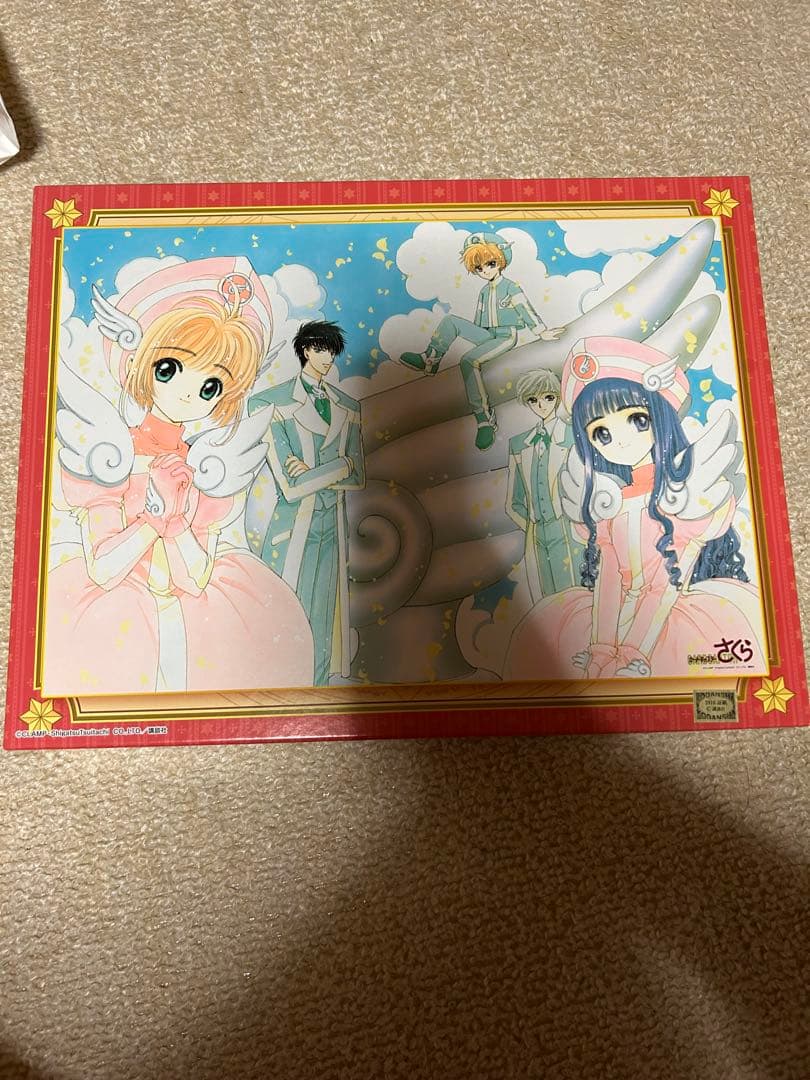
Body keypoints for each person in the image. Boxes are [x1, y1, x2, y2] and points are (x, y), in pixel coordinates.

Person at [43, 257, 315, 695]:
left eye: (211, 387)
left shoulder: (204, 465)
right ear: (141, 362)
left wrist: (175, 524)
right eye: (168, 369)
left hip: (192, 611)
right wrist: (154, 518)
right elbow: (104, 569)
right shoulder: (111, 452)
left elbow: (195, 577)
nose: (189, 393)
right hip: (117, 609)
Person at [504, 336, 765, 681]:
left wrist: (633, 651)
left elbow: (666, 584)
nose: (621, 440)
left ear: (662, 417)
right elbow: (609, 576)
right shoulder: (608, 502)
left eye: (638, 420)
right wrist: (601, 645)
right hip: (612, 615)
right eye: (601, 433)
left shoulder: (681, 498)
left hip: (663, 617)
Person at [248, 320, 365, 685]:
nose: (326, 357)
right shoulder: (271, 402)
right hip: (290, 529)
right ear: (304, 351)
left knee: (324, 618)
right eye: (319, 349)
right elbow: (291, 487)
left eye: (331, 351)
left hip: (332, 529)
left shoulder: (348, 405)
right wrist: (341, 465)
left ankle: (318, 694)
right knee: (286, 616)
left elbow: (359, 476)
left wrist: (320, 470)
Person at [400, 231, 564, 450]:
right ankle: (430, 359)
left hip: (505, 335)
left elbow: (525, 309)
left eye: (490, 263)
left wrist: (540, 331)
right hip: (488, 334)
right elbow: (479, 318)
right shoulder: (485, 291)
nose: (485, 270)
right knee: (450, 321)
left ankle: (484, 419)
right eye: (479, 268)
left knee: (468, 360)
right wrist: (475, 334)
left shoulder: (510, 287)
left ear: (501, 261)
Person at [505, 369, 585, 602]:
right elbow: (513, 502)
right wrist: (532, 529)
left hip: (569, 528)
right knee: (545, 601)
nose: (541, 405)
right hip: (536, 534)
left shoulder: (572, 435)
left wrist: (577, 526)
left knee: (577, 597)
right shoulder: (519, 444)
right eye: (533, 399)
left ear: (557, 397)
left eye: (548, 397)